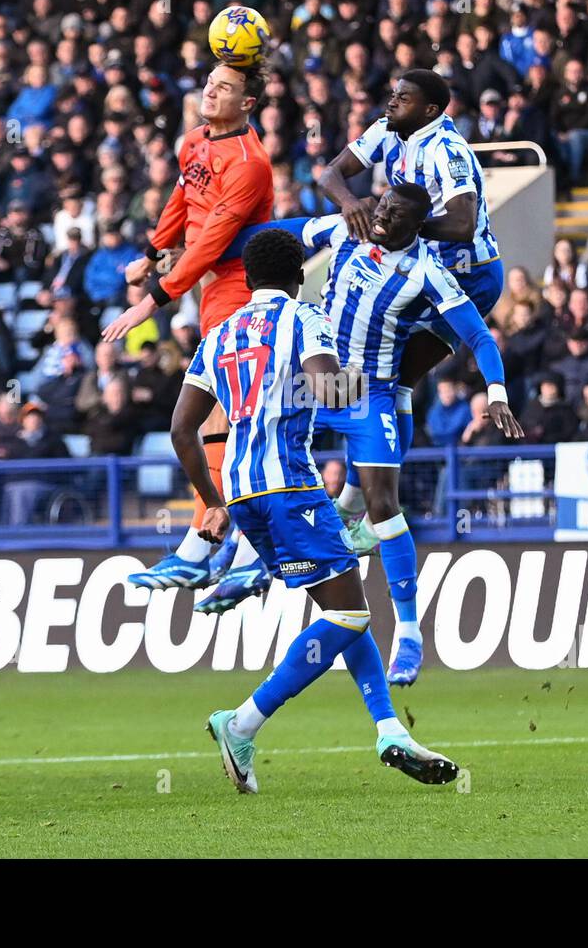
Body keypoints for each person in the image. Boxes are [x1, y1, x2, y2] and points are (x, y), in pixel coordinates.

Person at [170, 227, 457, 793]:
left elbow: (182, 427)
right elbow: (332, 391)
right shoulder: (306, 319)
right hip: (292, 489)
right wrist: (380, 381)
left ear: (247, 279)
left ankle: (388, 728)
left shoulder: (221, 332)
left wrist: (211, 499)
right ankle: (243, 722)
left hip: (244, 493)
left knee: (343, 604)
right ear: (301, 274)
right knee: (349, 616)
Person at [208, 184, 522, 688]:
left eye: (394, 212)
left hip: (367, 394)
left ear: (415, 225)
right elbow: (277, 234)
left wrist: (498, 390)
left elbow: (479, 335)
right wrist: (206, 248)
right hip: (318, 378)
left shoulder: (426, 271)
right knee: (261, 452)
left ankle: (409, 635)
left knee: (383, 505)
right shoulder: (347, 228)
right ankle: (241, 558)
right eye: (380, 205)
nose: (380, 215)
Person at [102, 61, 275, 594]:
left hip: (245, 291)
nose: (211, 92)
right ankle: (220, 542)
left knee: (234, 422)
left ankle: (230, 545)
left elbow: (210, 242)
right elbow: (181, 207)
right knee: (209, 426)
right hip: (211, 294)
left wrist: (151, 300)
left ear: (248, 102)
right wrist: (151, 253)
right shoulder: (193, 142)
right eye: (209, 83)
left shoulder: (250, 164)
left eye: (225, 87)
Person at [318, 69, 505, 487]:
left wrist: (399, 225)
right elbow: (329, 174)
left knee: (393, 381)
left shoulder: (448, 150)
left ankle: (366, 503)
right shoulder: (388, 128)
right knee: (377, 378)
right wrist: (352, 205)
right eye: (394, 93)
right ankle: (361, 500)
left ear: (430, 110)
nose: (391, 102)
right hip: (417, 268)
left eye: (403, 98)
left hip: (468, 274)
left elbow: (461, 222)